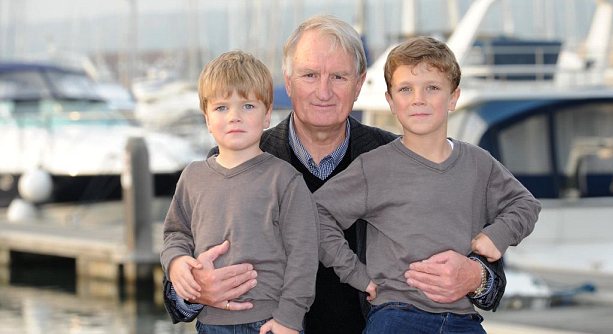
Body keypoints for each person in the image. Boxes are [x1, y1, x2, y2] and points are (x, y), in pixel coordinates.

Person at [164, 15, 507, 334]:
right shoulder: (235, 161)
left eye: (339, 77)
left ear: (359, 85)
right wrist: (193, 290)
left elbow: (490, 274)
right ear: (289, 82)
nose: (324, 91)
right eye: (310, 75)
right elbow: (176, 282)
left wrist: (476, 277)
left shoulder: (398, 159)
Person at [314, 36, 541, 334]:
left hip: (463, 319)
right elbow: (316, 214)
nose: (418, 98)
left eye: (432, 88)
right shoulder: (375, 167)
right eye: (406, 89)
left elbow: (526, 204)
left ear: (453, 97)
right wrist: (357, 274)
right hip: (397, 315)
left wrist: (498, 234)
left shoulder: (478, 163)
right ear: (391, 101)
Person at [160, 50, 319, 334]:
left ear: (267, 114)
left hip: (270, 322)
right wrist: (176, 263)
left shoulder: (284, 179)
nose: (234, 117)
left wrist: (289, 318)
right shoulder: (193, 177)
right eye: (221, 108)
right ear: (207, 119)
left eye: (247, 106)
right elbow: (176, 233)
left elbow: (303, 255)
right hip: (210, 323)